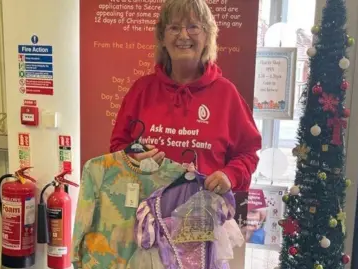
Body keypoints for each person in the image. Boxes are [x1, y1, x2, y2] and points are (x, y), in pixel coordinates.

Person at [110, 0, 262, 193]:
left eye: (193, 27)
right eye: (174, 27)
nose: (183, 35)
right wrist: (131, 157)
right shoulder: (141, 90)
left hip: (203, 215)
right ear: (162, 38)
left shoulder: (227, 94)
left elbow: (248, 153)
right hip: (144, 213)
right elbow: (117, 145)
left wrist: (229, 175)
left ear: (207, 36)